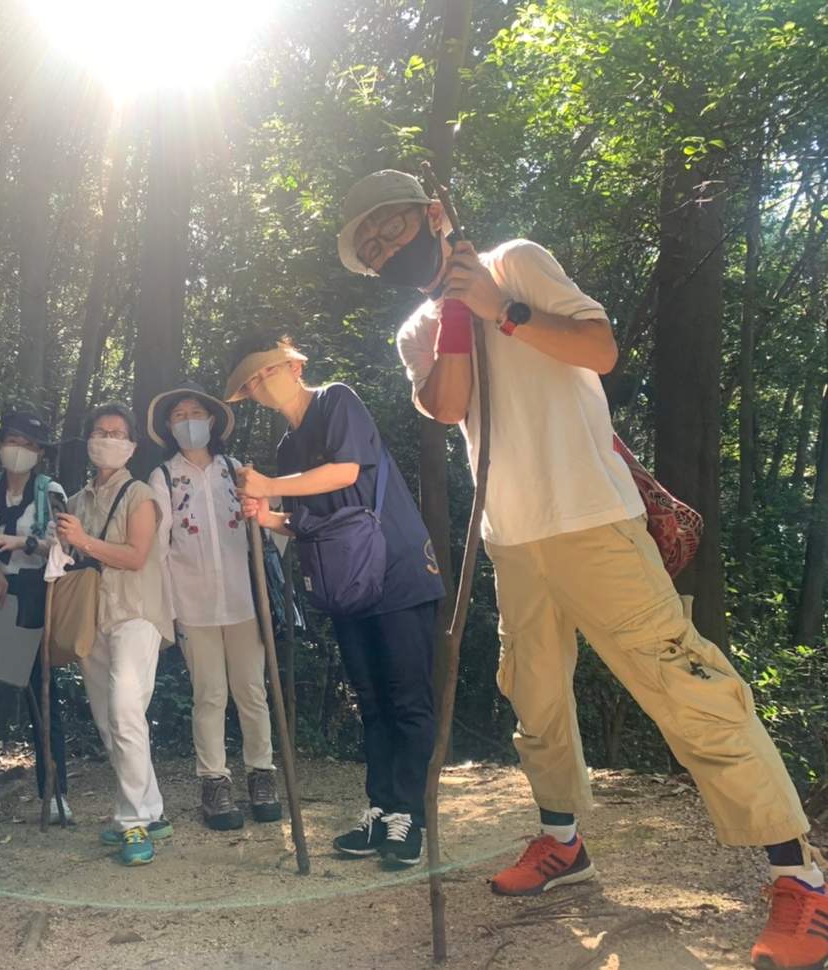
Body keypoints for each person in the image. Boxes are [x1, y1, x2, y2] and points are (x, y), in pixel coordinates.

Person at [339, 168, 823, 968]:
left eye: (391, 228)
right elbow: (447, 405)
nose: (387, 248)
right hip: (510, 537)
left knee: (685, 685)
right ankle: (563, 844)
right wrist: (457, 315)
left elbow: (597, 349)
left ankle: (800, 880)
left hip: (594, 523)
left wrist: (499, 305)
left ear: (432, 214)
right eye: (372, 247)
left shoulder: (517, 260)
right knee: (532, 695)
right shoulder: (416, 328)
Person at [227, 335, 445, 869]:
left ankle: (409, 816)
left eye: (266, 371)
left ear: (295, 364)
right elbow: (312, 525)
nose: (260, 385)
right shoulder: (286, 449)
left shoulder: (336, 401)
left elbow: (347, 472)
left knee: (406, 698)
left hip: (397, 572)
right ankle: (381, 807)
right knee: (370, 700)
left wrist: (272, 485)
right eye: (250, 382)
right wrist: (268, 516)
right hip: (347, 581)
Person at [145, 382, 281, 831]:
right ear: (168, 427)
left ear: (212, 421)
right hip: (193, 604)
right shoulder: (162, 478)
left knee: (252, 691)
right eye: (179, 415)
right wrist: (168, 609)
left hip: (245, 599)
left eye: (195, 413)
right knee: (209, 695)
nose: (188, 421)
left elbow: (270, 526)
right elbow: (159, 548)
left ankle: (262, 776)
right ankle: (215, 784)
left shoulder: (237, 471)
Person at [56, 402, 173, 866]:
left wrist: (83, 540)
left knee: (126, 710)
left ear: (131, 445)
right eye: (101, 431)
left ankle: (132, 822)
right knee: (109, 718)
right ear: (89, 441)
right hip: (93, 617)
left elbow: (135, 555)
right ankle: (154, 809)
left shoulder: (141, 495)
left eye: (117, 432)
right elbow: (71, 553)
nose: (108, 438)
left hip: (136, 614)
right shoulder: (78, 500)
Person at [0, 411, 71, 834]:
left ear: (40, 453)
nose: (18, 451)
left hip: (32, 597)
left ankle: (55, 791)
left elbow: (63, 545)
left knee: (42, 697)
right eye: (12, 441)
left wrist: (24, 542)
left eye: (28, 444)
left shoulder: (51, 492)